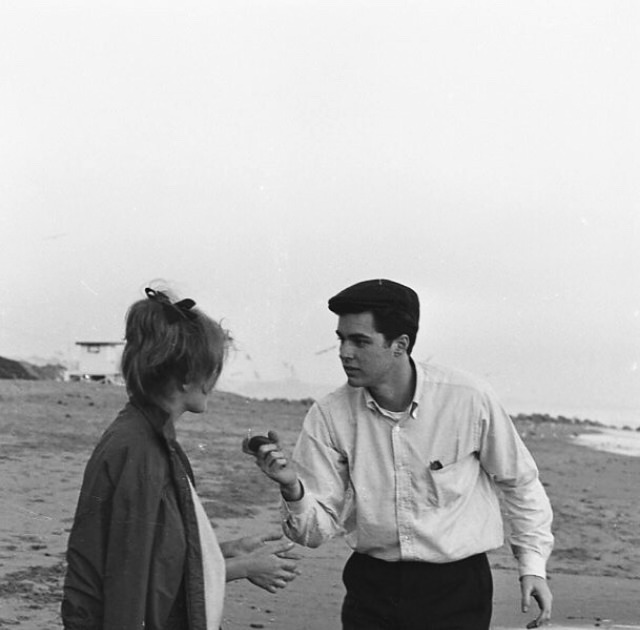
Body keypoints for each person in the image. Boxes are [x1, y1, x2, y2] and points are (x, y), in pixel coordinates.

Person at [245, 278, 554, 630]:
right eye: (341, 339)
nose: (345, 352)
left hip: (458, 587)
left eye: (360, 341)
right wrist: (291, 488)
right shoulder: (329, 415)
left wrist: (533, 567)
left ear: (400, 344)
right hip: (373, 587)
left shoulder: (468, 398)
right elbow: (314, 534)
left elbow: (521, 483)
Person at [62, 287, 299, 630]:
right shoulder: (138, 450)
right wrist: (245, 568)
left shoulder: (147, 436)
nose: (215, 382)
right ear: (188, 376)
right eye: (213, 369)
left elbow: (157, 553)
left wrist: (228, 550)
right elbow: (136, 583)